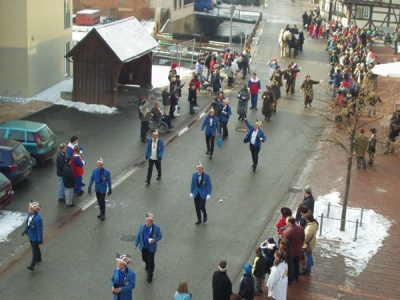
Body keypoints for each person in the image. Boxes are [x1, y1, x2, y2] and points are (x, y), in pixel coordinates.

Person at [134, 212, 162, 283]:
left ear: (152, 222)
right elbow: (138, 235)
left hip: (151, 247)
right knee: (144, 258)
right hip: (143, 246)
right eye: (146, 221)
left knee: (151, 261)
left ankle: (150, 275)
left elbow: (160, 236)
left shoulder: (156, 228)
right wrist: (136, 244)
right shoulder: (142, 226)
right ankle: (147, 264)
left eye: (149, 222)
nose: (147, 223)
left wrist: (154, 240)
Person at [282, 217, 305, 283]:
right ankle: (296, 276)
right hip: (298, 250)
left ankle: (290, 279)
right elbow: (303, 238)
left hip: (290, 251)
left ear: (289, 222)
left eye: (287, 222)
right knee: (297, 263)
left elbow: (284, 243)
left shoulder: (287, 232)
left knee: (290, 265)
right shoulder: (301, 228)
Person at [22, 200, 43, 271]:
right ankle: (39, 257)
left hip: (35, 237)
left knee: (34, 250)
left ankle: (32, 265)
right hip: (30, 235)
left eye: (30, 208)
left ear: (34, 210)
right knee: (35, 248)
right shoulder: (29, 215)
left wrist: (40, 239)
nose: (28, 209)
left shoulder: (38, 219)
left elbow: (39, 230)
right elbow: (27, 223)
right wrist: (26, 230)